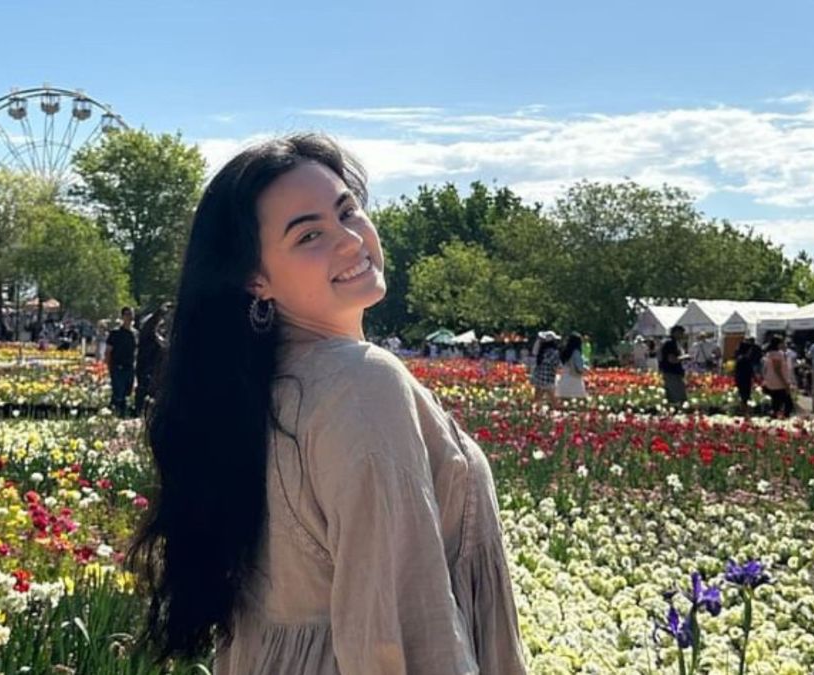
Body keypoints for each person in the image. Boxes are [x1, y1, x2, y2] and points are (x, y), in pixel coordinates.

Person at [127, 134, 527, 674]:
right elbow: (401, 635)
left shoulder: (256, 392)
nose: (349, 240)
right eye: (309, 234)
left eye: (348, 212)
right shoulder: (361, 385)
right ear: (256, 280)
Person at [133, 303, 171, 418]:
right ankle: (140, 411)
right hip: (147, 367)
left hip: (153, 367)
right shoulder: (149, 334)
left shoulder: (157, 335)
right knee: (145, 390)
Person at [105, 306, 137, 417]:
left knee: (127, 392)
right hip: (118, 367)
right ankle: (117, 415)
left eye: (131, 314)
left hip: (130, 367)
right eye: (127, 314)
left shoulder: (135, 334)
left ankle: (117, 412)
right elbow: (108, 351)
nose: (130, 317)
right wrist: (109, 367)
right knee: (119, 393)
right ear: (122, 316)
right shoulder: (115, 333)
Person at [762, 336, 795, 418]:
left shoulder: (769, 353)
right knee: (788, 403)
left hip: (771, 380)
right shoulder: (777, 354)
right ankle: (783, 417)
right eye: (782, 343)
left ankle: (775, 415)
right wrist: (785, 382)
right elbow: (777, 370)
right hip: (778, 381)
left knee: (776, 401)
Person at [659, 326, 690, 406]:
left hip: (673, 372)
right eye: (681, 333)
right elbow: (672, 359)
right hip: (672, 373)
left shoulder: (673, 343)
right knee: (677, 396)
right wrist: (685, 357)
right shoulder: (670, 343)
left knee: (675, 395)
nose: (682, 335)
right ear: (675, 333)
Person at [530, 331, 561, 406]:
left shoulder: (541, 351)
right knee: (554, 400)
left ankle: (533, 413)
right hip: (548, 377)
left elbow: (534, 353)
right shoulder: (554, 352)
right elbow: (557, 365)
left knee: (537, 399)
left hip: (538, 376)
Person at [733, 337, 761, 413]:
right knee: (745, 394)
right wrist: (754, 377)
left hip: (740, 378)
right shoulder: (745, 359)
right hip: (745, 378)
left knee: (742, 394)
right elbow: (749, 369)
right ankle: (744, 409)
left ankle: (743, 408)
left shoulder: (739, 358)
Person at [557, 332, 588, 399]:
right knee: (577, 399)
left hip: (564, 378)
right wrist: (585, 369)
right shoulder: (576, 353)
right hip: (574, 379)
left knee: (564, 399)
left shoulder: (565, 352)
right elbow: (579, 367)